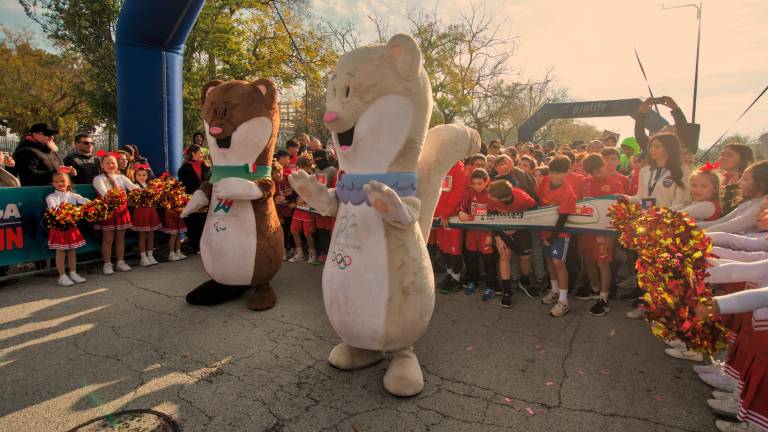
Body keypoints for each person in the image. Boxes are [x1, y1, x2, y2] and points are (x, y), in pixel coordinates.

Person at [578, 154, 624, 316]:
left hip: (604, 233)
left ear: (604, 164)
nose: (596, 175)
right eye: (592, 172)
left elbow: (618, 213)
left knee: (603, 263)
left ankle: (603, 300)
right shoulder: (585, 182)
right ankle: (594, 287)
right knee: (588, 260)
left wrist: (611, 235)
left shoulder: (616, 184)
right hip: (586, 232)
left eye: (598, 170)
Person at [538, 155, 578, 318]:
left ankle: (563, 301)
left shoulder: (568, 192)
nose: (555, 176)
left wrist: (552, 238)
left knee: (559, 263)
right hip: (544, 229)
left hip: (559, 233)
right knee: (549, 261)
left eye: (560, 173)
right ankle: (554, 291)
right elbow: (539, 203)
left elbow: (563, 219)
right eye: (553, 172)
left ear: (566, 172)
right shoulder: (544, 182)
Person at [487, 179, 537, 306]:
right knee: (504, 256)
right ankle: (507, 291)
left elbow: (536, 213)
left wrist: (518, 226)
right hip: (501, 230)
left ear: (503, 198)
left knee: (525, 257)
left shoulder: (522, 197)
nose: (488, 197)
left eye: (492, 196)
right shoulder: (492, 199)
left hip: (521, 230)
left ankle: (525, 282)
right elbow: (491, 217)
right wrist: (497, 237)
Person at [93, 153, 139, 275]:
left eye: (112, 162)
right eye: (107, 163)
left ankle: (120, 261)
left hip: (121, 211)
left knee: (120, 239)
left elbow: (133, 187)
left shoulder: (122, 177)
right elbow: (105, 193)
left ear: (117, 164)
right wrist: (115, 197)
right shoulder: (98, 179)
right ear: (102, 165)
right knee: (108, 239)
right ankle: (107, 264)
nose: (110, 165)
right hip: (108, 211)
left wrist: (148, 192)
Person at [46, 168, 90, 286]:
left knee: (72, 251)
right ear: (52, 183)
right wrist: (63, 211)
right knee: (60, 251)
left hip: (71, 227)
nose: (60, 184)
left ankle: (73, 273)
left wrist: (94, 204)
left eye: (62, 181)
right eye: (56, 181)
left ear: (68, 182)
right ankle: (62, 276)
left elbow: (85, 201)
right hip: (59, 228)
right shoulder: (51, 197)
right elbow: (52, 208)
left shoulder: (73, 195)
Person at [458, 169, 496, 298]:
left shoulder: (492, 194)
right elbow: (462, 206)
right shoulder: (470, 192)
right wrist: (460, 213)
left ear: (487, 181)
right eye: (474, 183)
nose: (477, 186)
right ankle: (472, 282)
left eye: (480, 183)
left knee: (488, 262)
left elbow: (496, 216)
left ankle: (490, 287)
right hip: (471, 233)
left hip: (486, 234)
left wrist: (491, 235)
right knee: (472, 259)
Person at [435, 160, 468, 294]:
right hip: (439, 216)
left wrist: (446, 213)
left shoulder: (458, 169)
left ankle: (457, 277)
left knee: (454, 249)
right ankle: (449, 274)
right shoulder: (440, 165)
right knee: (443, 247)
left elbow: (458, 194)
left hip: (451, 217)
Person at [177, 144, 210, 254]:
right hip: (191, 199)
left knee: (204, 222)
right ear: (193, 153)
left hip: (205, 200)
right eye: (199, 152)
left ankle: (204, 245)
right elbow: (184, 186)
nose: (202, 154)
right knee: (194, 223)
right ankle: (195, 246)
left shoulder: (206, 167)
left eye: (202, 152)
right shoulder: (184, 169)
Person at [288, 154, 319, 264]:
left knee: (307, 233)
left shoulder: (313, 177)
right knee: (294, 231)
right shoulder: (297, 176)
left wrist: (305, 199)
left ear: (308, 166)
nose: (300, 169)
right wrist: (290, 200)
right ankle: (300, 254)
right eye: (299, 166)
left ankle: (313, 254)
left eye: (302, 166)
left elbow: (316, 194)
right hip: (298, 209)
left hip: (308, 210)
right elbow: (295, 192)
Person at [131, 166, 161, 267]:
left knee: (151, 235)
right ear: (135, 176)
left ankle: (150, 255)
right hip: (141, 212)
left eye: (144, 175)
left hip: (151, 211)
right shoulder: (134, 186)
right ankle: (143, 257)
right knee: (142, 236)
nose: (141, 177)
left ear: (147, 176)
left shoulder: (150, 186)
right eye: (139, 175)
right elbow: (132, 201)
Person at [718, 143, 755, 216]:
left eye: (729, 155)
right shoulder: (718, 177)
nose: (722, 158)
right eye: (722, 154)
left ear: (742, 159)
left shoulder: (746, 181)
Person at [160, 174, 188, 262]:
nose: (172, 181)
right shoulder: (165, 192)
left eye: (173, 179)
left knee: (179, 234)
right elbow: (164, 204)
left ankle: (178, 251)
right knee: (173, 235)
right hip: (170, 214)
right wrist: (171, 211)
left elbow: (182, 201)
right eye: (169, 179)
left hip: (178, 213)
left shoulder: (178, 191)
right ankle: (171, 253)